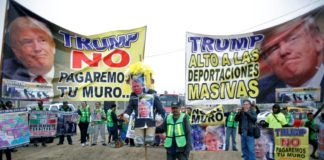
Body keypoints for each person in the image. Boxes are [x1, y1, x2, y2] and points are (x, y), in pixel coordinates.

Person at [257, 15, 324, 103]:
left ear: (318, 41)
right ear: (268, 62)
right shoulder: (257, 94)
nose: (283, 51)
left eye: (292, 39)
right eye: (273, 48)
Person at [122, 62, 165, 146]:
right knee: (139, 141)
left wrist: (160, 115)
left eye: (138, 86)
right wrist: (127, 113)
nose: (136, 88)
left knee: (149, 138)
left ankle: (149, 137)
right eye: (134, 87)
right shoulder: (133, 96)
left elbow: (160, 108)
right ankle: (139, 138)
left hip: (150, 122)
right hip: (139, 122)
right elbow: (130, 107)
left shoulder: (152, 94)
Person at [3, 16, 55, 83]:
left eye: (43, 40)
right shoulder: (4, 72)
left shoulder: (70, 73)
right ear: (17, 52)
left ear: (53, 46)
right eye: (28, 42)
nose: (37, 48)